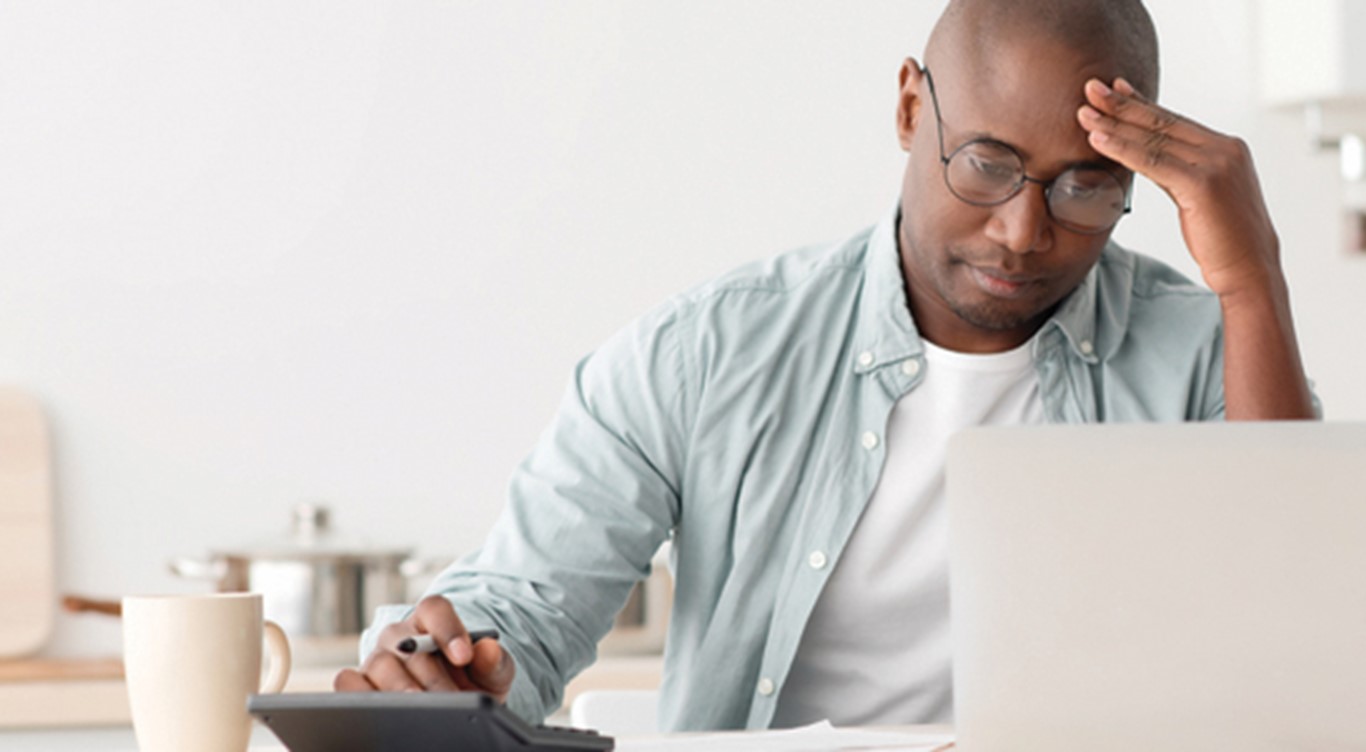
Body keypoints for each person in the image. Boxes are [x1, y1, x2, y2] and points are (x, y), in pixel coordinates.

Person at [335, 0, 1316, 732]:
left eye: (1085, 186)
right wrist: (454, 663)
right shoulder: (706, 354)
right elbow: (526, 607)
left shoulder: (1200, 348)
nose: (1022, 231)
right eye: (984, 161)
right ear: (906, 107)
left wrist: (1251, 278)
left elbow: (1302, 636)